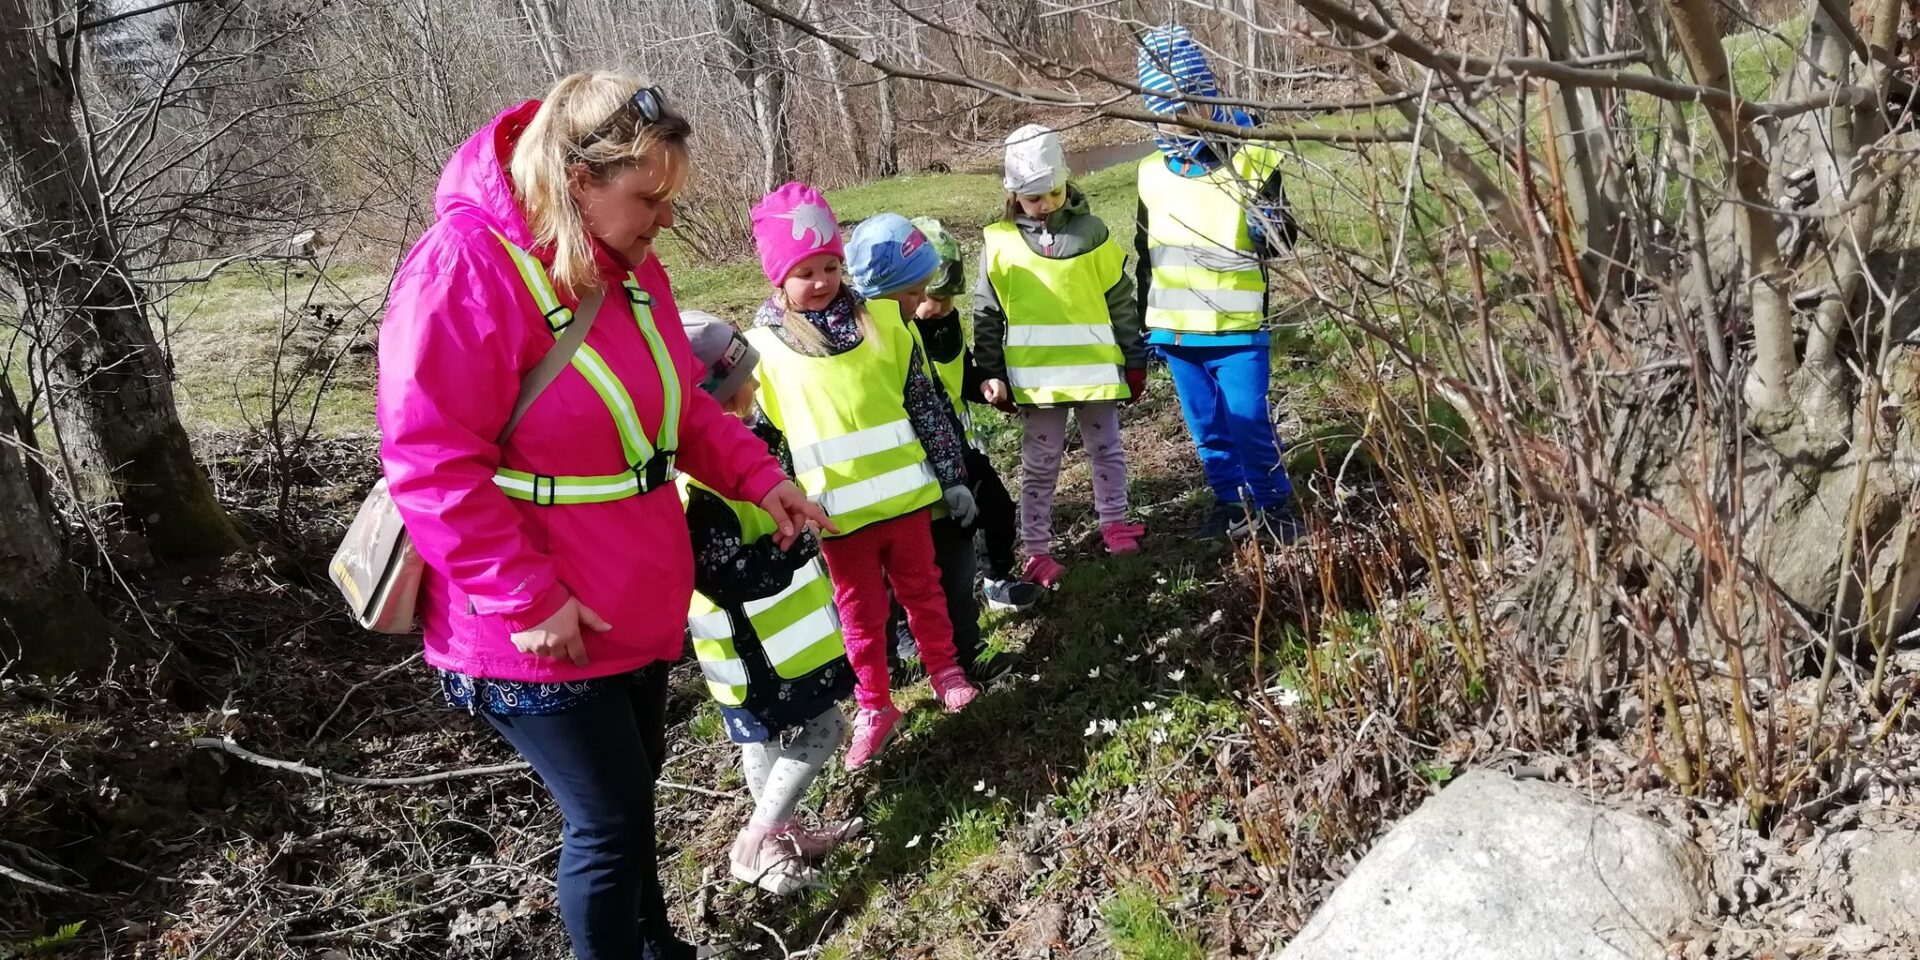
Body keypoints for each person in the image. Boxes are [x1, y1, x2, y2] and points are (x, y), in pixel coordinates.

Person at [377, 73, 831, 960]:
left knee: (630, 800)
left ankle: (660, 949)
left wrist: (758, 476)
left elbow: (683, 404)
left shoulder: (631, 267)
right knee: (608, 820)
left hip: (632, 594)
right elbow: (430, 461)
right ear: (579, 178)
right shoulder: (463, 266)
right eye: (648, 197)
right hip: (537, 622)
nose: (665, 219)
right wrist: (528, 599)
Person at [744, 183, 978, 770]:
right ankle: (874, 704)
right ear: (778, 279)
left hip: (906, 500)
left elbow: (926, 404)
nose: (821, 280)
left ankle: (944, 669)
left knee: (924, 591)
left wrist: (952, 475)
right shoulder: (763, 350)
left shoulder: (885, 322)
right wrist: (774, 504)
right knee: (860, 615)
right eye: (804, 271)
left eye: (829, 265)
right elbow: (761, 442)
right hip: (836, 517)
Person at [677, 312, 861, 897]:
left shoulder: (737, 455)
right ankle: (759, 838)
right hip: (761, 651)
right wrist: (799, 544)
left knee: (759, 740)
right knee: (828, 726)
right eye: (743, 385)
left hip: (762, 648)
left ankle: (779, 838)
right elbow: (729, 577)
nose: (755, 391)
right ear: (716, 396)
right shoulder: (701, 490)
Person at [1134, 25, 1305, 543]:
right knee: (1208, 431)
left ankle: (1275, 505)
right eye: (1165, 109)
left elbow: (1280, 241)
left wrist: (1269, 225)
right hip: (1177, 336)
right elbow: (1146, 255)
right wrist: (1147, 329)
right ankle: (1232, 503)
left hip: (1238, 330)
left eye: (1188, 105)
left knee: (1250, 421)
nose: (1178, 120)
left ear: (1207, 98)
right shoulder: (1150, 174)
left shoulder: (1252, 158)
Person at [973, 124, 1148, 589]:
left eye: (1053, 192)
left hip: (1096, 377)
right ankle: (1036, 549)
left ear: (1066, 182)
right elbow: (986, 315)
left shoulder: (1093, 233)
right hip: (1038, 384)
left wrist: (1134, 359)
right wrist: (991, 372)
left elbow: (1120, 298)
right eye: (1033, 199)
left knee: (1107, 451)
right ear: (1013, 196)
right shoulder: (999, 243)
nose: (1045, 204)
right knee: (1040, 466)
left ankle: (1113, 522)